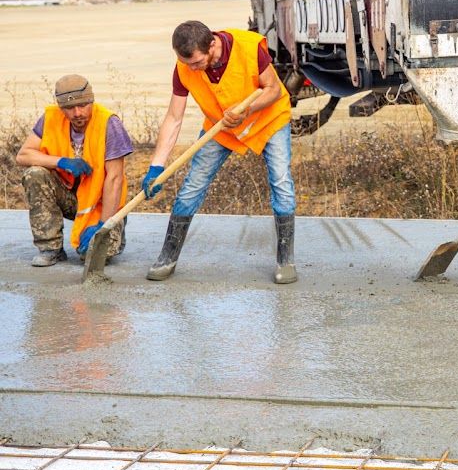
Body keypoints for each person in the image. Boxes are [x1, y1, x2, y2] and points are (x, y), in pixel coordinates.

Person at [142, 20, 297, 283]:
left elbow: (272, 89)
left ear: (212, 44)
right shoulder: (184, 67)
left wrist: (246, 110)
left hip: (269, 121)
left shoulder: (248, 48)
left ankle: (286, 261)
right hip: (221, 127)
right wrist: (157, 165)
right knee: (193, 184)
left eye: (197, 62)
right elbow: (173, 117)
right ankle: (167, 257)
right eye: (187, 63)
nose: (192, 68)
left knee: (281, 182)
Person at [16, 75, 131, 266]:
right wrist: (60, 162)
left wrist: (104, 226)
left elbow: (115, 179)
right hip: (68, 197)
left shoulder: (109, 123)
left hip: (100, 204)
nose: (77, 113)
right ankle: (50, 248)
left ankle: (113, 233)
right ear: (61, 108)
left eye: (83, 105)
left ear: (91, 101)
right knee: (34, 174)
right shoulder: (51, 118)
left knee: (93, 256)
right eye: (69, 108)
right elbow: (23, 156)